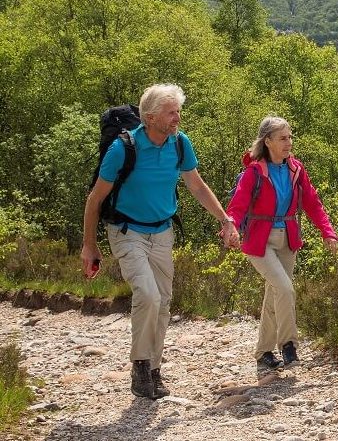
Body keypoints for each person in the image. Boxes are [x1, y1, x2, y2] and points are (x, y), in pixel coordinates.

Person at [80, 83, 240, 400]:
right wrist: (89, 245)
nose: (177, 118)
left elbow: (196, 186)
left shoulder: (179, 144)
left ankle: (153, 369)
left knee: (163, 302)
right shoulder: (123, 149)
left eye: (178, 111)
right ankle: (140, 366)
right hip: (127, 232)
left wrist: (225, 220)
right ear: (150, 117)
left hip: (162, 232)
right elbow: (94, 200)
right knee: (149, 295)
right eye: (171, 113)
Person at [226, 115, 338, 375]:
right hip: (259, 240)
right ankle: (288, 345)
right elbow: (239, 205)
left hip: (287, 238)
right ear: (268, 142)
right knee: (285, 289)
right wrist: (230, 227)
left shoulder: (295, 169)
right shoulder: (254, 172)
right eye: (283, 138)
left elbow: (312, 203)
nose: (289, 142)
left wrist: (327, 232)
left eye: (290, 137)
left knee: (275, 293)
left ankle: (263, 352)